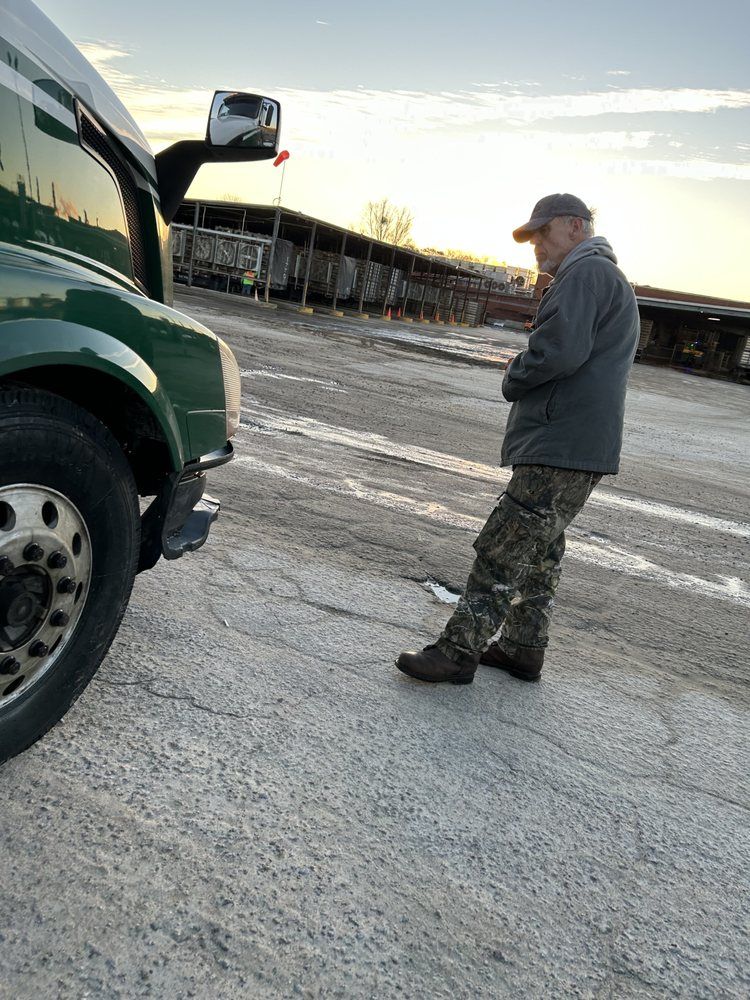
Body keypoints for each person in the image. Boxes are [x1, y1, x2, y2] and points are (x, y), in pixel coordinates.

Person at [396, 193, 640, 685]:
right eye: (530, 238)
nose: (535, 246)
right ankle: (523, 647)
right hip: (576, 444)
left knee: (503, 546)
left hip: (560, 440)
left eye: (541, 233)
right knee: (540, 550)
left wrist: (514, 374)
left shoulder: (586, 273)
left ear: (575, 226)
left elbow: (558, 352)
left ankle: (457, 652)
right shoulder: (600, 276)